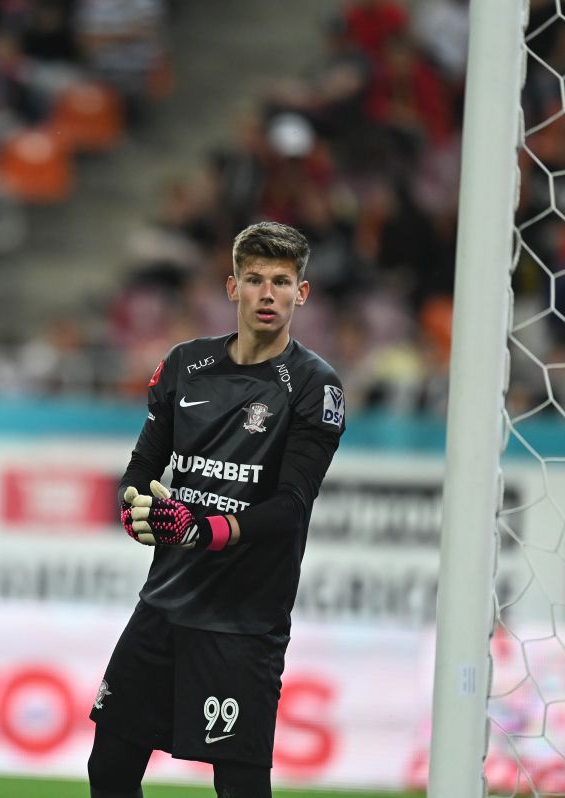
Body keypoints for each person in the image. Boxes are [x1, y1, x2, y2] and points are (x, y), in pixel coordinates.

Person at [88, 221, 346, 798]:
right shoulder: (185, 365)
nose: (268, 293)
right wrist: (138, 513)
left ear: (301, 294)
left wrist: (200, 528)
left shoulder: (313, 387)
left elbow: (289, 507)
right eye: (254, 279)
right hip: (164, 606)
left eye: (282, 281)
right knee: (107, 769)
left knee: (240, 789)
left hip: (243, 622)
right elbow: (141, 470)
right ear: (233, 288)